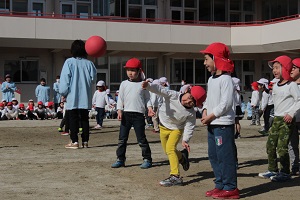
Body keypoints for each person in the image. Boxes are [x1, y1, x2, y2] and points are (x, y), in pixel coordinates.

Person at [142, 79, 206, 186]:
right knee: (167, 151)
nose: (188, 102)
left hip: (176, 129)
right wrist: (148, 86)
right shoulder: (173, 95)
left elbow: (190, 127)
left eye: (192, 103)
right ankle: (182, 157)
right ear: (186, 91)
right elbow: (159, 89)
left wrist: (185, 140)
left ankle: (175, 176)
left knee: (170, 149)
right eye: (189, 97)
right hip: (163, 126)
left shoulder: (191, 114)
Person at [200, 42, 239, 199]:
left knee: (225, 156)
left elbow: (227, 103)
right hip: (212, 124)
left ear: (216, 59)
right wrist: (204, 110)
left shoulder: (226, 79)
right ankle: (220, 185)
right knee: (214, 155)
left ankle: (231, 188)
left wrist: (211, 115)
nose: (205, 63)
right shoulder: (211, 79)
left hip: (222, 124)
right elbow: (209, 99)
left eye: (207, 59)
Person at [258, 55, 300, 182]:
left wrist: (291, 113)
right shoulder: (275, 86)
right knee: (270, 145)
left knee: (282, 147)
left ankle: (285, 172)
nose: (274, 71)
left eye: (277, 67)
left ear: (286, 68)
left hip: (287, 120)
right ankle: (272, 169)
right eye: (273, 68)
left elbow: (299, 100)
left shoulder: (291, 85)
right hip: (276, 119)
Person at [111, 57, 154, 169]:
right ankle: (120, 159)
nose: (130, 73)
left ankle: (147, 159)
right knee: (122, 139)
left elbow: (147, 98)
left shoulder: (143, 84)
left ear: (139, 71)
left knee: (141, 138)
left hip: (139, 114)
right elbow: (120, 98)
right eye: (128, 70)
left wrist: (149, 108)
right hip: (126, 114)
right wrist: (119, 110)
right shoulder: (124, 84)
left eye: (133, 70)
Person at [59, 39, 97, 149]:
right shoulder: (89, 63)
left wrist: (63, 92)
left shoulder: (69, 62)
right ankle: (85, 141)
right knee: (84, 119)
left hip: (72, 95)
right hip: (85, 95)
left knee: (73, 119)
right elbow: (93, 78)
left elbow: (65, 80)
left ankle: (74, 141)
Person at [289, 58, 300, 176]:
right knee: (292, 144)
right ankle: (295, 166)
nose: (291, 70)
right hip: (292, 119)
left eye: (294, 67)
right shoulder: (289, 84)